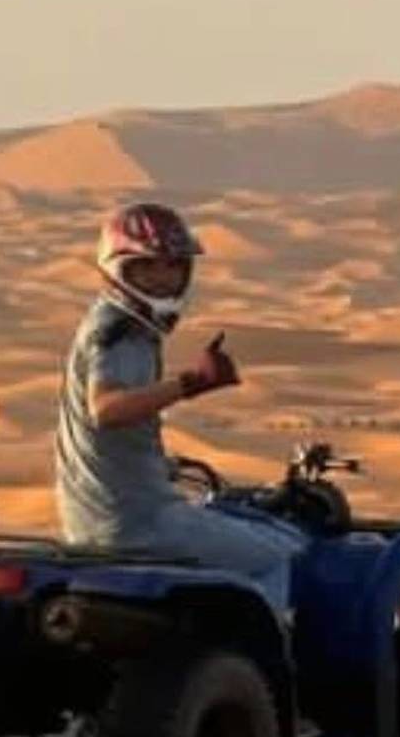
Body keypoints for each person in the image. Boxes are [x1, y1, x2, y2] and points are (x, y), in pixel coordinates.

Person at [54, 203, 304, 603]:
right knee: (281, 554)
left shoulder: (117, 324)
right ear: (119, 269)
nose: (161, 278)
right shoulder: (120, 333)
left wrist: (161, 465)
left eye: (172, 266)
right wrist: (192, 382)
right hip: (138, 524)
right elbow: (107, 410)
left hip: (100, 518)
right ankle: (268, 641)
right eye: (146, 267)